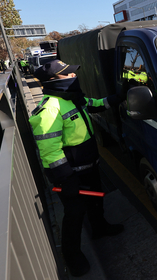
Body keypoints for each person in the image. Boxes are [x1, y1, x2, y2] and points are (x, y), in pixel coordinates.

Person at [29, 59, 124, 277]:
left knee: (96, 198)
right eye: (68, 74)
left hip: (89, 165)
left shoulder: (72, 98)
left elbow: (95, 104)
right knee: (74, 214)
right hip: (71, 173)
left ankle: (99, 228)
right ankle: (72, 257)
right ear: (52, 80)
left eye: (73, 73)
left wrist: (118, 97)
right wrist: (65, 178)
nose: (74, 76)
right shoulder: (49, 109)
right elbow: (49, 150)